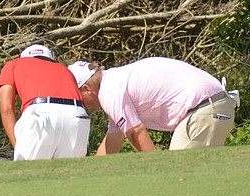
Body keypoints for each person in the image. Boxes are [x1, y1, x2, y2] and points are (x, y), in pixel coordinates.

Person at [68, 57, 239, 155]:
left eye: (79, 97)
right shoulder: (114, 83)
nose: (82, 104)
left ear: (87, 88)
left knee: (177, 176)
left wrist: (157, 169)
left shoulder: (108, 92)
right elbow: (112, 143)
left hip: (205, 109)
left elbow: (135, 133)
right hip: (213, 106)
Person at [0, 44, 91, 160]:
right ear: (50, 59)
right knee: (69, 176)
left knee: (29, 174)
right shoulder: (65, 69)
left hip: (41, 114)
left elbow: (6, 107)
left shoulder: (13, 64)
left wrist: (19, 147)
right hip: (77, 116)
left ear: (24, 58)